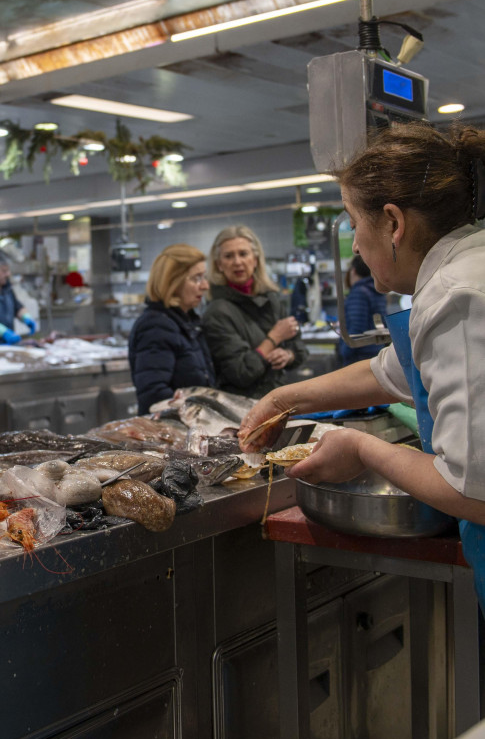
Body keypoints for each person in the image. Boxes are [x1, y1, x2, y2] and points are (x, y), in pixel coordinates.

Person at [237, 123, 485, 609]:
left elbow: (472, 490)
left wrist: (362, 449)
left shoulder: (458, 296)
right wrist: (285, 397)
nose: (352, 246)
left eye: (353, 222)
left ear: (392, 222)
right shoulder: (466, 269)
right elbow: (393, 371)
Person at [202, 225, 308, 398]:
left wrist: (288, 355)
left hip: (277, 400)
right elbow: (241, 372)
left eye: (243, 254)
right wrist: (274, 338)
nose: (237, 262)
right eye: (229, 256)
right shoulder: (217, 312)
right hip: (240, 409)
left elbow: (300, 349)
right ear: (219, 264)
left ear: (256, 259)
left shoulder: (271, 300)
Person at [128, 243, 215, 414]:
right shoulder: (156, 326)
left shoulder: (184, 321)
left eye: (204, 277)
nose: (205, 285)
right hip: (168, 432)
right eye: (196, 278)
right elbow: (153, 394)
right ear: (173, 282)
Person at [337, 255, 388, 365]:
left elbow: (357, 326)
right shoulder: (377, 291)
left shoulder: (359, 293)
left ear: (353, 271)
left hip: (358, 355)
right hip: (375, 350)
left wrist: (344, 351)